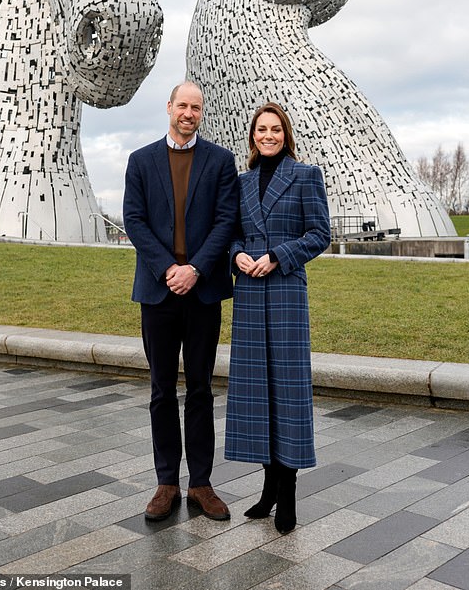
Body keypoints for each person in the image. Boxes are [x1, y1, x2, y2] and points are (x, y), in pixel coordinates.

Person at [123, 81, 239, 523]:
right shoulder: (141, 161)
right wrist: (168, 268)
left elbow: (227, 221)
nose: (188, 113)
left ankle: (202, 484)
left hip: (203, 290)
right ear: (169, 107)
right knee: (160, 390)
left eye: (196, 107)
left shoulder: (220, 161)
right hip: (157, 291)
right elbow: (134, 219)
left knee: (201, 389)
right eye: (182, 106)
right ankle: (166, 482)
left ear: (201, 113)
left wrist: (195, 269)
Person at [224, 101, 331, 534]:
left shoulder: (306, 176)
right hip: (250, 292)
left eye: (275, 129)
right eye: (261, 130)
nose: (268, 135)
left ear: (286, 134)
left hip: (285, 291)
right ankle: (267, 489)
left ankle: (286, 494)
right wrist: (238, 257)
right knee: (257, 392)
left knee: (286, 392)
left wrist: (278, 256)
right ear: (253, 136)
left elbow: (320, 234)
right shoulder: (241, 182)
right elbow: (229, 233)